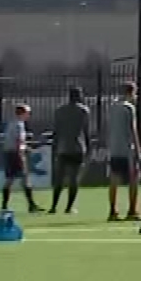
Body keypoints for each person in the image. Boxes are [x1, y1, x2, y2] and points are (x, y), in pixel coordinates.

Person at [107, 81, 141, 223]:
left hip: (114, 148)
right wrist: (138, 149)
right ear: (131, 92)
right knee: (134, 179)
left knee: (114, 180)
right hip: (127, 149)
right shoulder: (129, 108)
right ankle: (132, 211)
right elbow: (133, 129)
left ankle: (112, 211)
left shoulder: (112, 107)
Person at [50, 86, 92, 214]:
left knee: (59, 179)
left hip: (63, 148)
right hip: (77, 147)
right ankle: (69, 207)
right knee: (74, 179)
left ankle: (53, 206)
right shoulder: (83, 111)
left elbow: (56, 131)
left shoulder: (60, 111)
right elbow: (86, 131)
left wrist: (55, 147)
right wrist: (89, 148)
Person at [0, 104, 40, 214]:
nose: (29, 115)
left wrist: (27, 147)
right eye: (28, 113)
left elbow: (12, 140)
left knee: (10, 179)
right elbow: (19, 141)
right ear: (23, 113)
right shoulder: (19, 125)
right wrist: (21, 153)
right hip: (16, 154)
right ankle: (31, 205)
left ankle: (4, 205)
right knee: (25, 179)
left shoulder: (11, 124)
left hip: (9, 153)